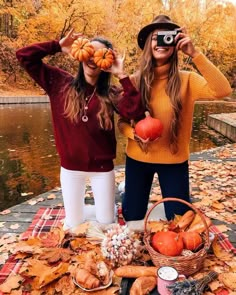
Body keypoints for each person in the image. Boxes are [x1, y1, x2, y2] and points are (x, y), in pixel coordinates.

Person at [16, 29, 144, 230]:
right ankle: (86, 210)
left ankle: (111, 202)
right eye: (89, 52)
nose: (93, 58)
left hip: (102, 170)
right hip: (70, 169)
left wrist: (122, 75)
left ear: (106, 62)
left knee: (106, 223)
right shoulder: (59, 83)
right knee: (73, 225)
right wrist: (57, 46)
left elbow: (136, 113)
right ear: (80, 53)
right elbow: (24, 56)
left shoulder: (112, 94)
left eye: (100, 55)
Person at [118, 15, 232, 227]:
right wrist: (133, 135)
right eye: (155, 38)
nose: (161, 43)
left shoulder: (187, 80)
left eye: (167, 37)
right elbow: (122, 122)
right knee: (131, 215)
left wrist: (195, 53)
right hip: (138, 157)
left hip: (174, 160)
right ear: (147, 45)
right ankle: (129, 189)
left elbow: (223, 90)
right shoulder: (134, 80)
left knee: (179, 221)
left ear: (176, 43)